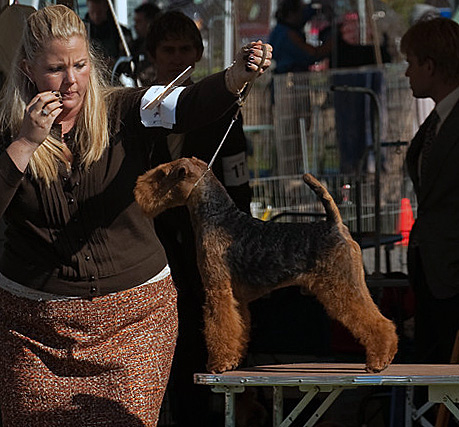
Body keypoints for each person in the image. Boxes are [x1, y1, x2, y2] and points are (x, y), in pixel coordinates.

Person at [0, 5, 271, 426]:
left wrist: (236, 76)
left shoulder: (126, 108)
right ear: (27, 68)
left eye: (80, 65)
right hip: (33, 332)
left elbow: (191, 103)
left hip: (135, 320)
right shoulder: (6, 130)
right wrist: (24, 144)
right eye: (55, 69)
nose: (71, 81)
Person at [145, 11, 253, 426]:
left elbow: (239, 186)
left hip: (208, 258)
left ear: (199, 53)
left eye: (185, 50)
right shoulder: (137, 111)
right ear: (152, 55)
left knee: (208, 350)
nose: (176, 59)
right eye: (168, 51)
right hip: (154, 258)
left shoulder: (226, 111)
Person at [402, 17, 459, 364]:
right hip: (432, 274)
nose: (407, 73)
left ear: (430, 65)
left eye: (411, 63)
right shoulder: (436, 121)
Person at [268, 0, 330, 74]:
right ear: (291, 14)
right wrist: (333, 41)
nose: (303, 16)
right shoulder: (287, 33)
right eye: (301, 12)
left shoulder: (278, 30)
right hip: (289, 79)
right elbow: (313, 54)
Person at [84, 0, 132, 69]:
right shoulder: (82, 31)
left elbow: (128, 62)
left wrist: (116, 61)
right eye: (92, 12)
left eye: (99, 12)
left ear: (106, 8)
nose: (96, 16)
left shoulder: (120, 32)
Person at [130, 3, 161, 86]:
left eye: (139, 22)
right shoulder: (136, 45)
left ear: (150, 22)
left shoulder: (162, 45)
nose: (135, 26)